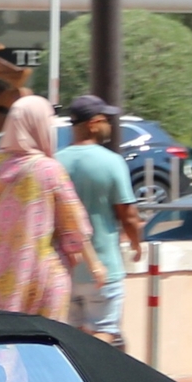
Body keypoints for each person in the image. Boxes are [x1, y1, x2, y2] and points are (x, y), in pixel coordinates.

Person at [0, 94, 100, 320]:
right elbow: (74, 226)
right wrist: (95, 265)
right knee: (40, 348)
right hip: (42, 274)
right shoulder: (49, 170)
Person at [57, 93, 142, 344]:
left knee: (75, 338)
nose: (110, 126)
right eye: (106, 120)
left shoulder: (54, 162)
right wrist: (137, 243)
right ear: (93, 124)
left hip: (65, 267)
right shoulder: (112, 162)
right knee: (106, 333)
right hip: (103, 267)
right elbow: (128, 214)